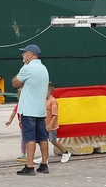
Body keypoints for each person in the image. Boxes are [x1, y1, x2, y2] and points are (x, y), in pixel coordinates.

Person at [13, 44, 51, 175]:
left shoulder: (27, 68)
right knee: (42, 138)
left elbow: (15, 83)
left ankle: (29, 166)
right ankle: (44, 164)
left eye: (24, 53)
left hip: (28, 110)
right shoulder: (44, 68)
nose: (22, 55)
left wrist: (23, 69)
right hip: (40, 110)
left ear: (31, 55)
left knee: (30, 138)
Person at [44, 85, 72, 164]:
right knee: (43, 140)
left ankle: (65, 152)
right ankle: (44, 157)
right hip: (43, 125)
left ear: (48, 92)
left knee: (53, 140)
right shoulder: (43, 100)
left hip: (51, 126)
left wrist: (50, 124)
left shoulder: (53, 101)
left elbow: (55, 114)